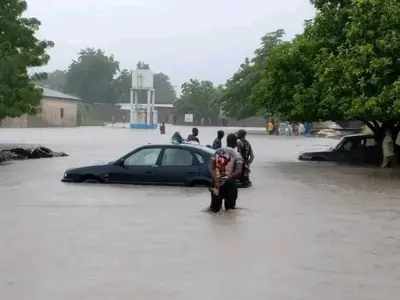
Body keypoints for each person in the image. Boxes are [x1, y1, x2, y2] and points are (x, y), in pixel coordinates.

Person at [208, 133, 243, 213]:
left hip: (216, 184)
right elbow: (238, 171)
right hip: (229, 184)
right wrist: (226, 180)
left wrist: (216, 180)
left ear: (226, 141)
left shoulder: (217, 152)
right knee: (230, 211)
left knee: (214, 210)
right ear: (235, 143)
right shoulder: (237, 155)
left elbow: (210, 167)